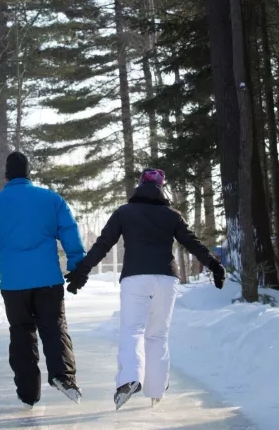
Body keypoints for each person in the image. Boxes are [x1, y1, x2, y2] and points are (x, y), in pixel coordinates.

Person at [64, 168, 226, 410]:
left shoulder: (124, 212)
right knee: (157, 335)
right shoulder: (172, 215)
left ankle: (129, 379)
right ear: (161, 188)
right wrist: (214, 264)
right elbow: (192, 243)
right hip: (166, 279)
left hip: (135, 277)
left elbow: (103, 244)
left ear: (140, 185)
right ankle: (156, 389)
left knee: (132, 331)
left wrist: (82, 270)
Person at [0, 152, 86, 408]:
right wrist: (77, 268)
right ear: (28, 174)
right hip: (48, 280)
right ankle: (62, 376)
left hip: (14, 285)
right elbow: (70, 232)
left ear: (7, 176)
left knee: (22, 333)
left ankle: (28, 393)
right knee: (53, 326)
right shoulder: (51, 200)